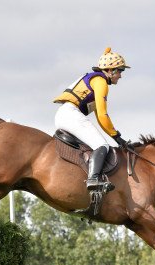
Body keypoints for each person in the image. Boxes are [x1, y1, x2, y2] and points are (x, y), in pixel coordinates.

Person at [53, 47, 130, 190]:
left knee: (93, 145)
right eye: (120, 70)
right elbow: (102, 114)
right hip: (71, 114)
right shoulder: (100, 82)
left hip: (63, 115)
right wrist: (116, 137)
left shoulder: (95, 80)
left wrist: (115, 136)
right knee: (102, 146)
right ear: (110, 70)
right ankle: (93, 179)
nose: (120, 75)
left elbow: (100, 118)